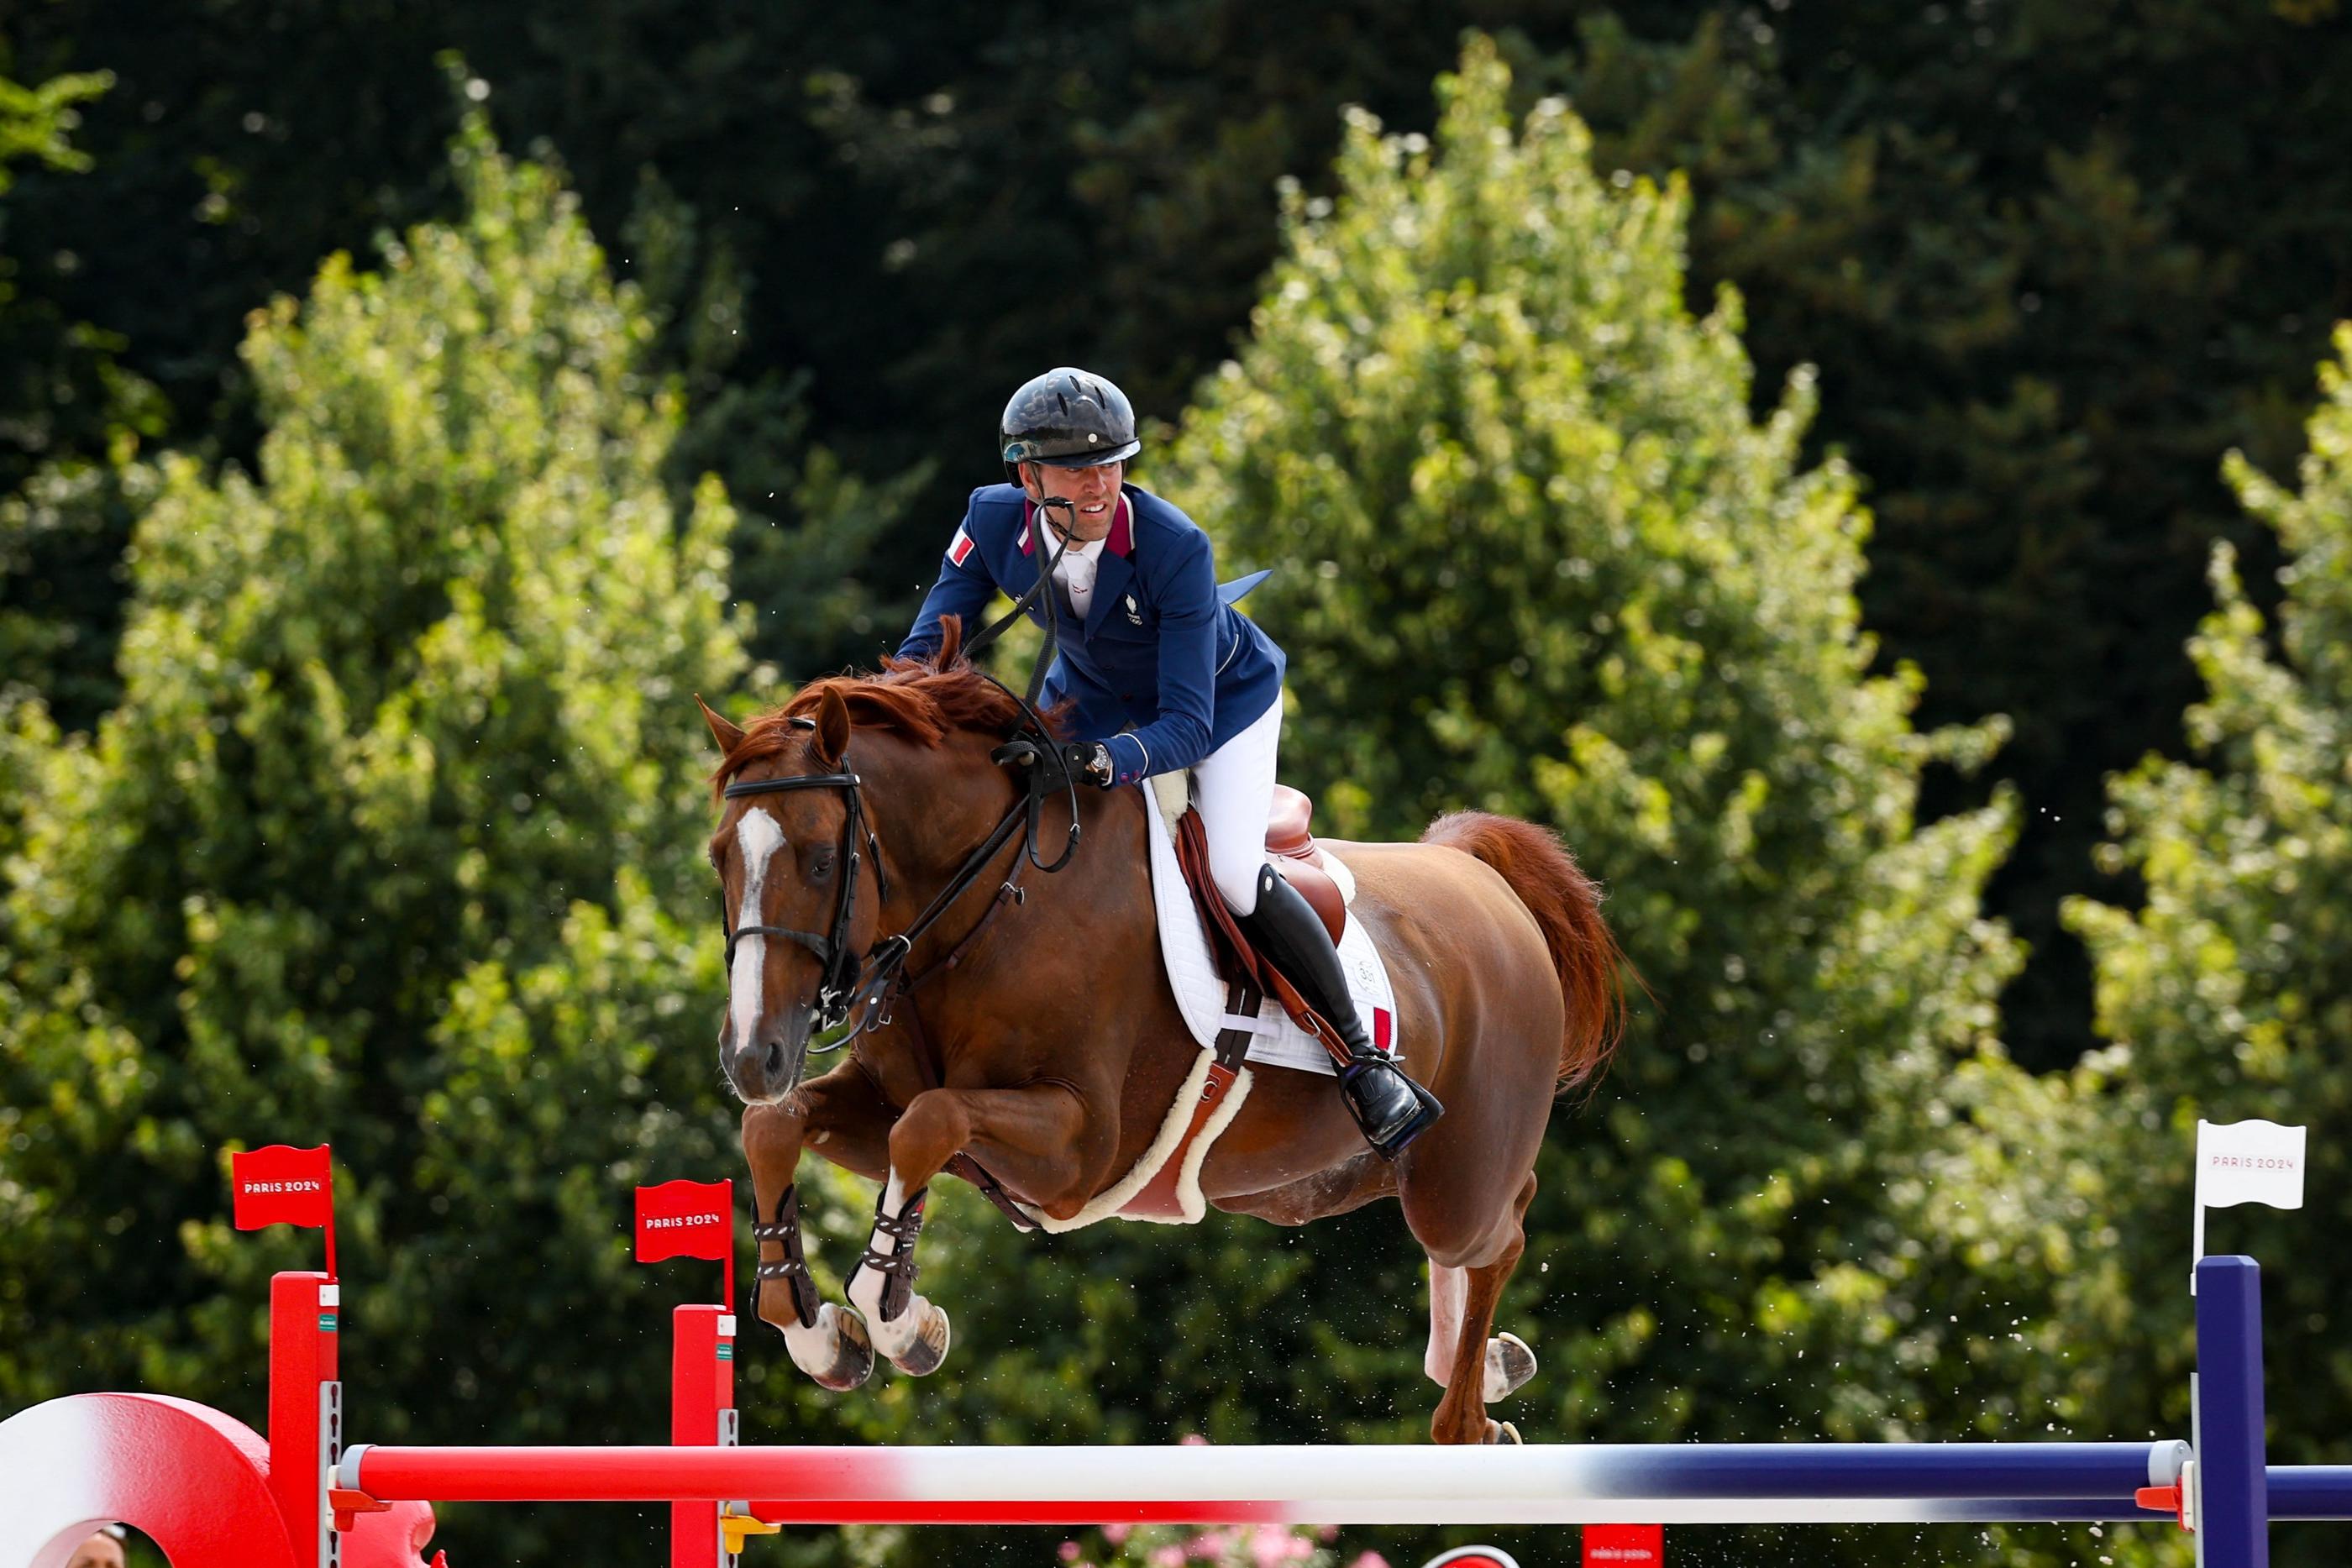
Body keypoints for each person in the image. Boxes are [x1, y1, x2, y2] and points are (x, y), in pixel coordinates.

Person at [899, 367, 1441, 1156]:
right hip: (1092, 691)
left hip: (1222, 705)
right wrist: (879, 710)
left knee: (1226, 870)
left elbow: (1185, 724)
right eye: (1077, 468)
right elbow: (927, 647)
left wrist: (1095, 764)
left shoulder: (1173, 545)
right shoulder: (988, 519)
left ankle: (1364, 1058)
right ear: (1027, 474)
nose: (1099, 485)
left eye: (1112, 463)